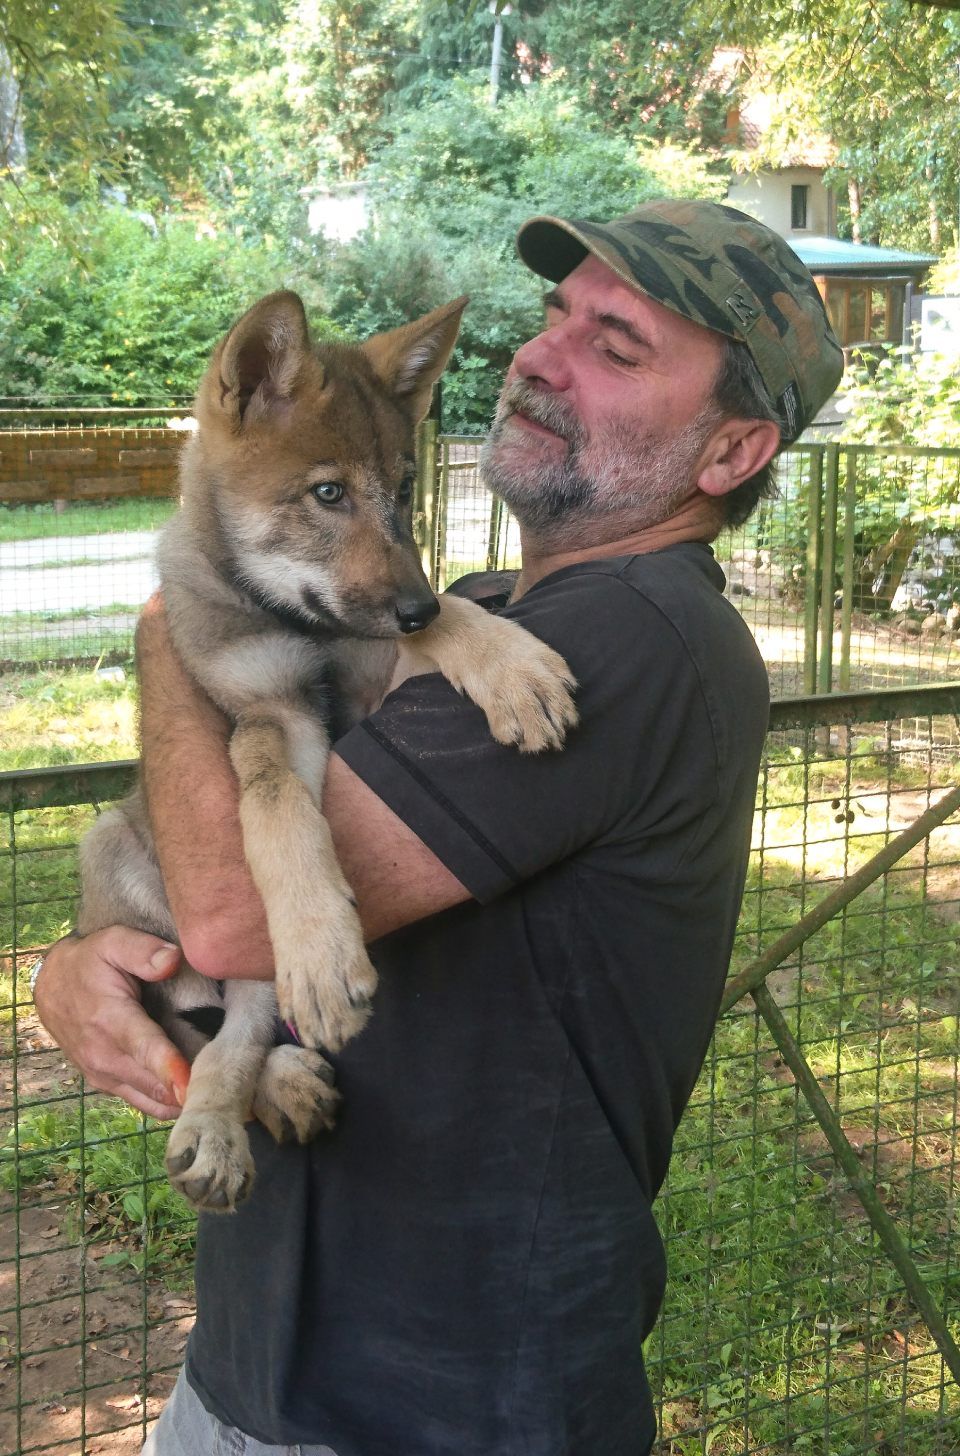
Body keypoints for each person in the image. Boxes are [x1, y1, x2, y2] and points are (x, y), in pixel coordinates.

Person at [35, 200, 843, 1456]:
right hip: (267, 1361)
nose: (540, 356)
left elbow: (236, 913)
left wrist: (171, 621)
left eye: (616, 345)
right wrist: (77, 969)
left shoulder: (624, 638)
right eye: (553, 317)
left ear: (731, 452)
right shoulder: (474, 613)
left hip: (447, 1403)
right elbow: (215, 867)